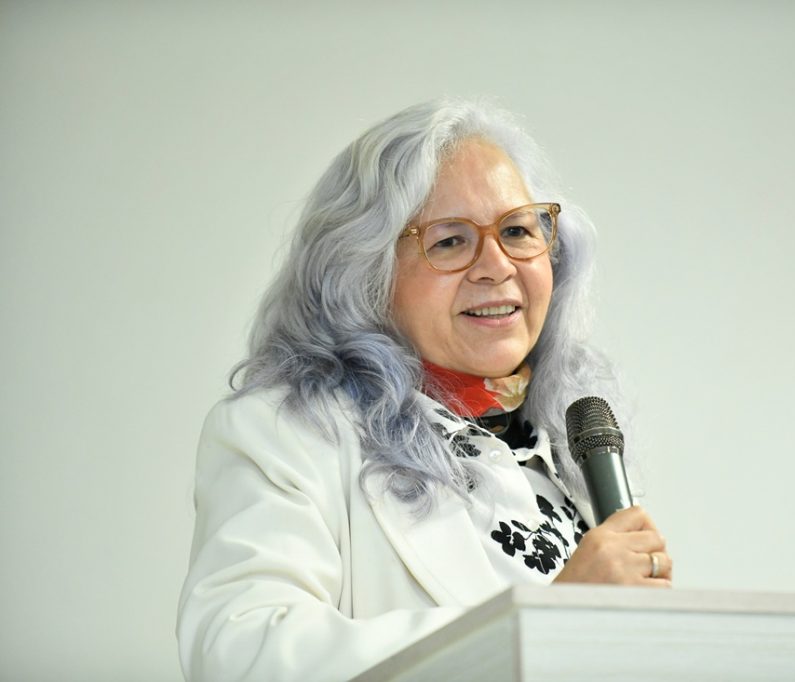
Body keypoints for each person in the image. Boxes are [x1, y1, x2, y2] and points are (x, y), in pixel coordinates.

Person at [177, 98, 673, 681]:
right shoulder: (286, 434)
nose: (497, 266)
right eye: (450, 241)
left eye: (518, 230)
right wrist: (546, 623)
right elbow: (241, 653)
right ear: (366, 276)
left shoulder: (569, 450)